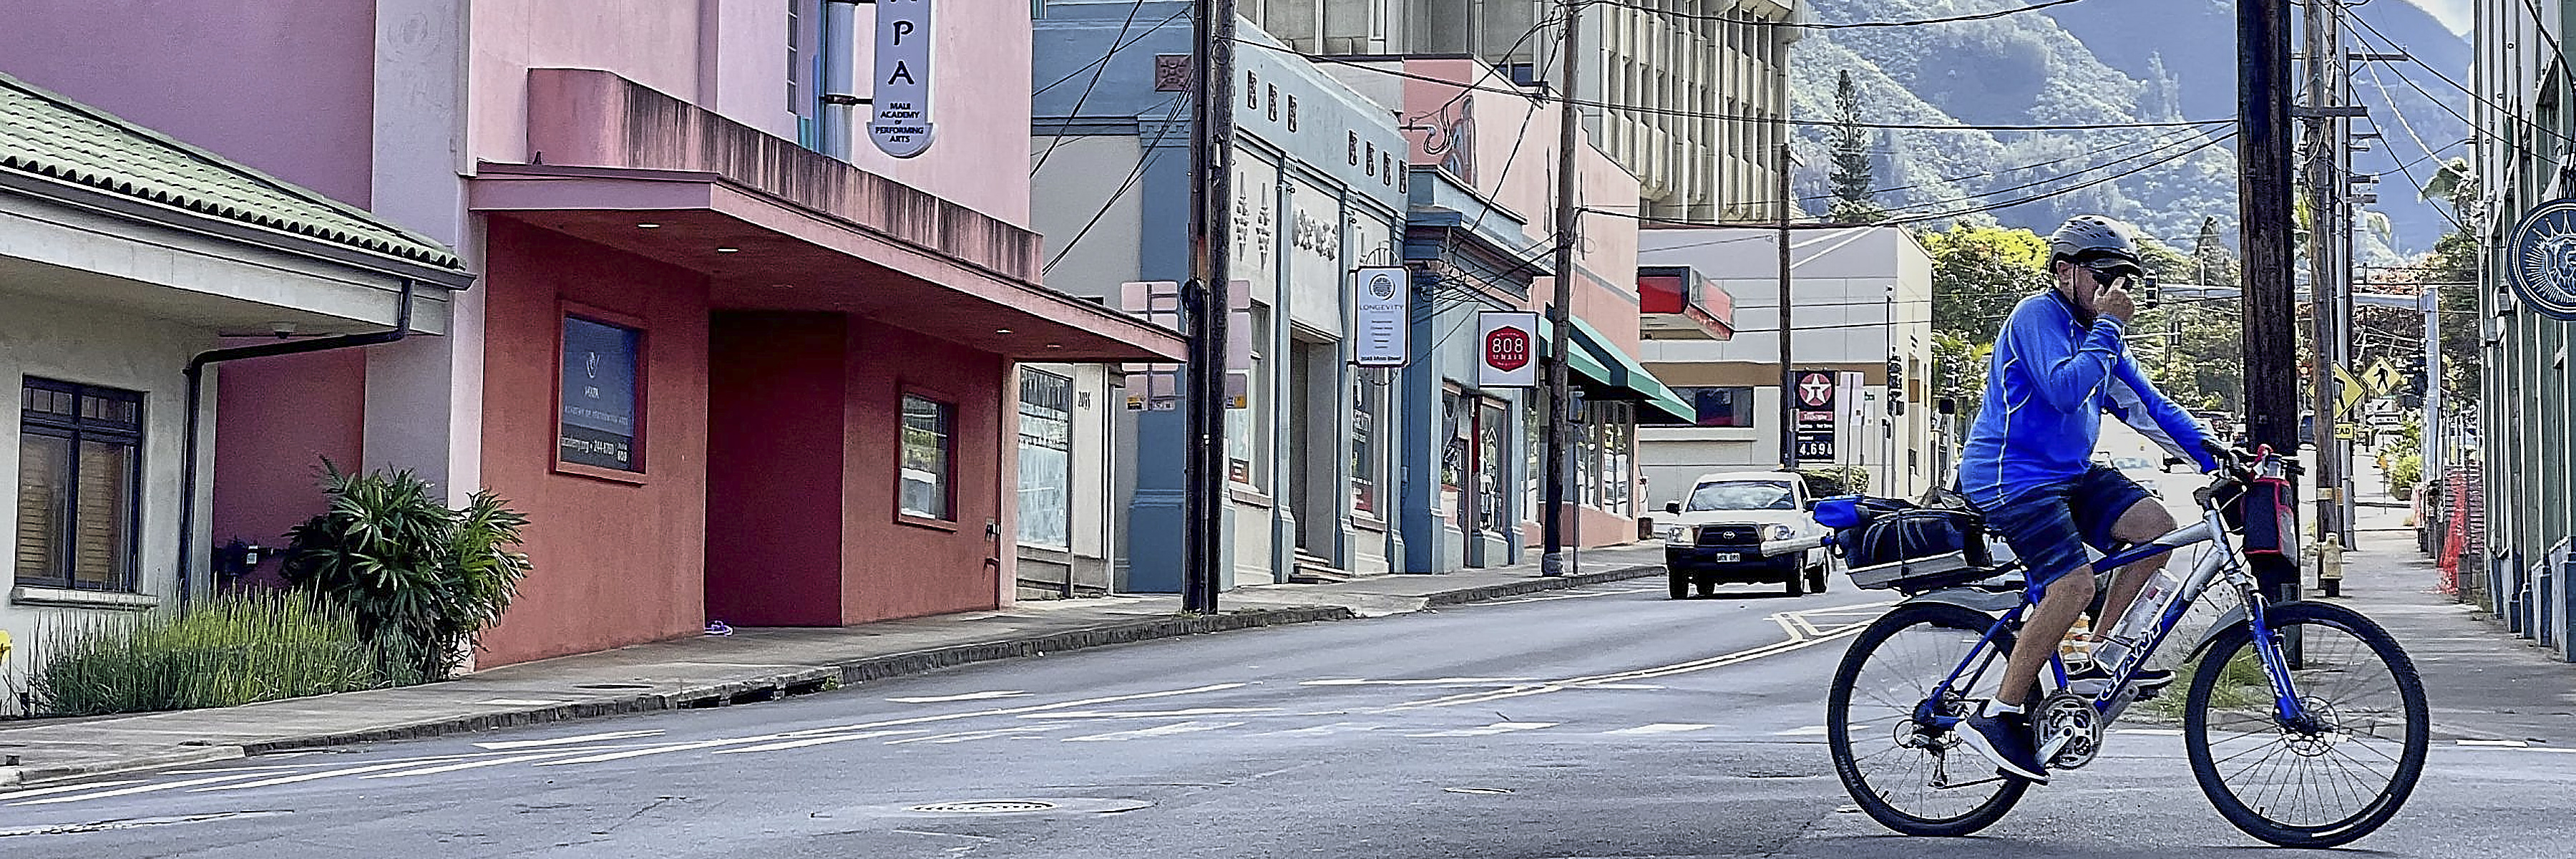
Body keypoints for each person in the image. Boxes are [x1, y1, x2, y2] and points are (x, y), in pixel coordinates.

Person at [1949, 215, 2221, 783]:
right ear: (2065, 272)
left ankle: (2097, 659)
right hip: (2009, 478)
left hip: (2067, 473)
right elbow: (2065, 388)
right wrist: (2110, 329)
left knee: (2156, 528)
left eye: (2126, 279)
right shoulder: (2037, 317)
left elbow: (2150, 408)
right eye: (2104, 276)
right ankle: (1998, 714)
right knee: (2074, 584)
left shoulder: (2099, 334)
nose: (2115, 290)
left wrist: (2220, 457)